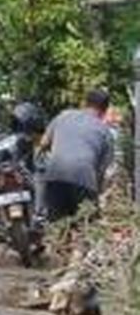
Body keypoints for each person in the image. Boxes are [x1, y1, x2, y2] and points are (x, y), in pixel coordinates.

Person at [40, 89, 114, 221]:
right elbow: (102, 168)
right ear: (105, 109)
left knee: (56, 225)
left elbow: (43, 143)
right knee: (85, 227)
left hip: (55, 177)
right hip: (84, 181)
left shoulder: (63, 116)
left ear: (85, 103)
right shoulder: (105, 132)